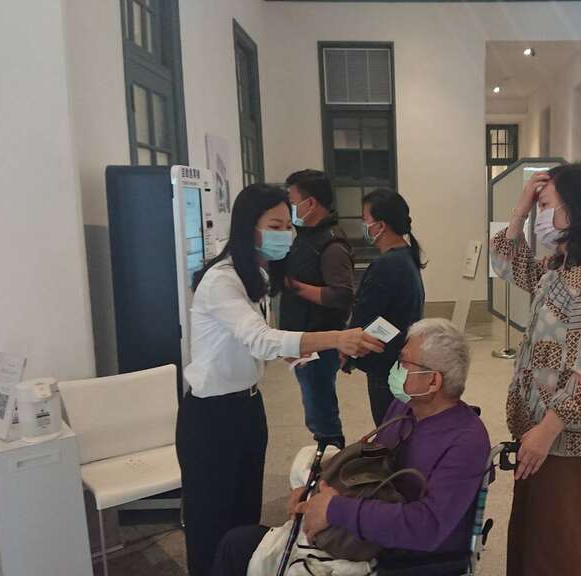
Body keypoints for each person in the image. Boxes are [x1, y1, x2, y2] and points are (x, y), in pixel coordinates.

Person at [176, 183, 383, 576]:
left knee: (243, 514)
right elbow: (259, 337)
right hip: (211, 417)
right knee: (210, 524)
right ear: (247, 227)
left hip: (248, 407)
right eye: (274, 226)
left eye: (288, 226)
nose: (284, 234)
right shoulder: (221, 280)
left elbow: (249, 343)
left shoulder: (252, 274)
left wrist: (293, 355)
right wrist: (336, 338)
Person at [210, 319, 490, 575]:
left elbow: (426, 527)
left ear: (433, 380)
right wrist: (313, 489)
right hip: (366, 531)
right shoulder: (404, 408)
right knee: (238, 544)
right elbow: (367, 463)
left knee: (241, 550)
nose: (396, 368)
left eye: (404, 362)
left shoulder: (466, 442)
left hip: (402, 558)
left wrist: (335, 510)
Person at [490, 162, 581, 576]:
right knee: (535, 542)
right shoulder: (561, 267)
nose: (541, 216)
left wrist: (548, 429)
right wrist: (518, 212)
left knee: (567, 549)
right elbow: (507, 265)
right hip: (538, 429)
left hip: (569, 439)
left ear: (576, 207)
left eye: (545, 205)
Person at [281, 169, 354, 449]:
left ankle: (331, 455)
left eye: (292, 202)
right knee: (315, 405)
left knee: (321, 411)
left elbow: (341, 295)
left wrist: (294, 286)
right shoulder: (306, 236)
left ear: (311, 203)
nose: (290, 209)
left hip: (319, 342)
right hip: (304, 339)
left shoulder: (331, 243)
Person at [346, 189, 426, 426]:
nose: (364, 226)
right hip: (399, 359)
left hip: (385, 364)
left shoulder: (387, 265)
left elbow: (366, 316)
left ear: (380, 226)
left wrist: (348, 351)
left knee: (389, 429)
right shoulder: (406, 257)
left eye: (365, 220)